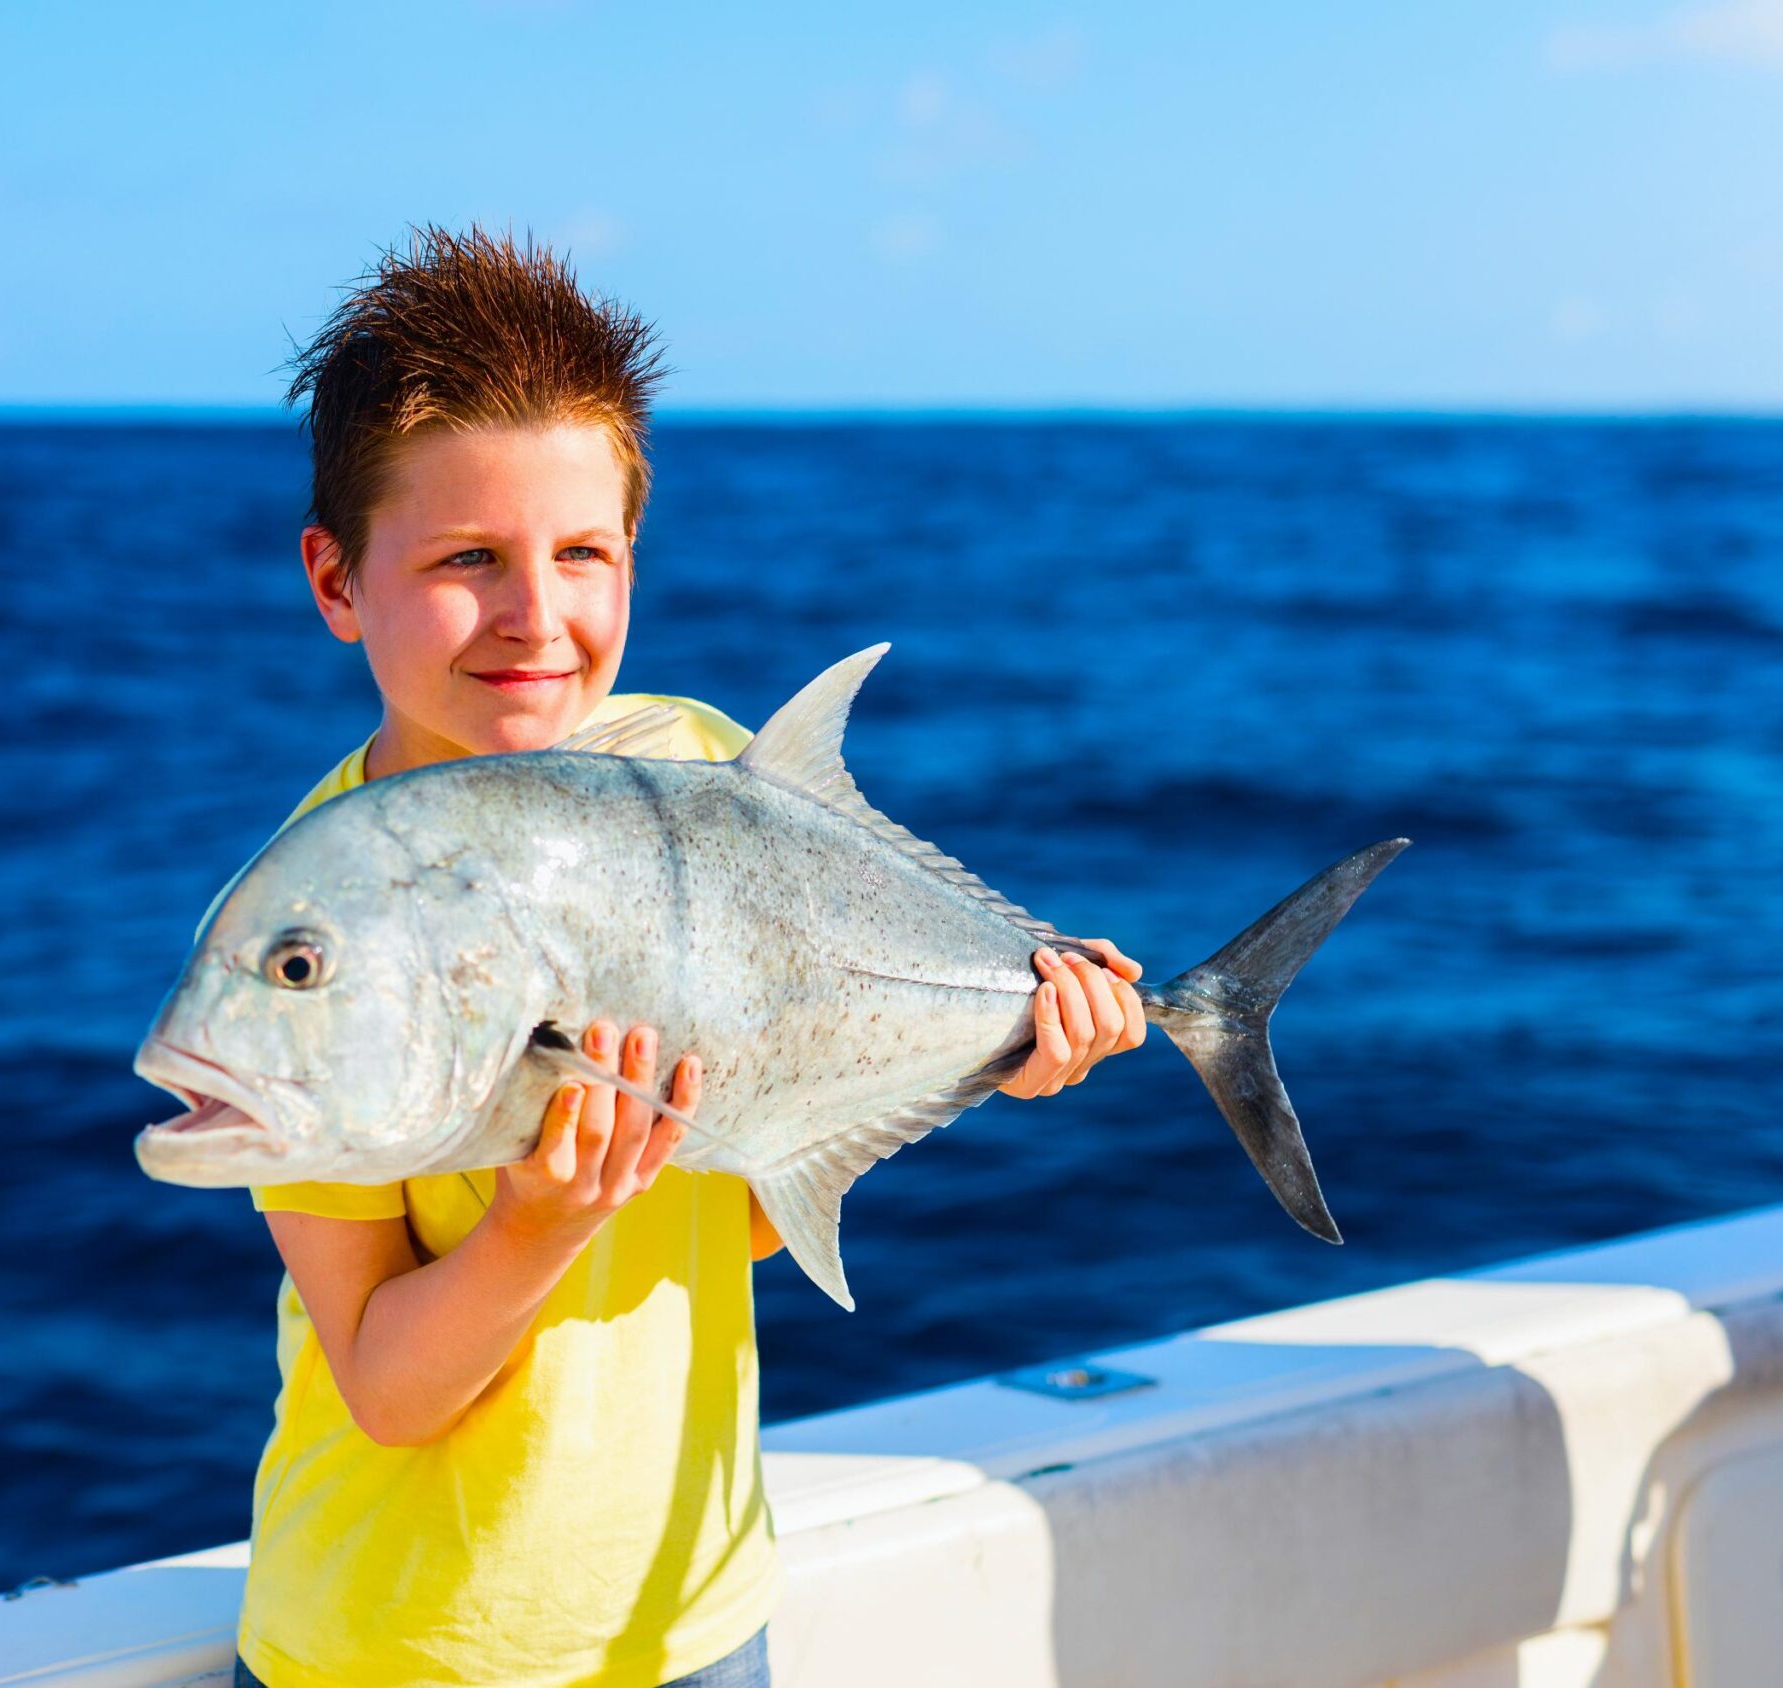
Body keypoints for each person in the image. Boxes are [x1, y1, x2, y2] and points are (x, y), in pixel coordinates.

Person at [206, 225, 1146, 1688]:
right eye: (469, 559)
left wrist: (1001, 1047)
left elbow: (738, 1199)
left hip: (699, 1623)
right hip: (398, 1647)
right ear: (336, 579)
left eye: (583, 554)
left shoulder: (702, 770)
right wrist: (538, 1224)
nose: (537, 617)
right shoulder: (323, 927)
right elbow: (386, 1385)